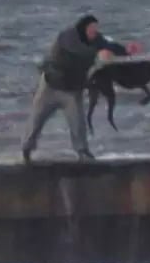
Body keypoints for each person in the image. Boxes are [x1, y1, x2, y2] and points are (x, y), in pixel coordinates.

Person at [21, 14, 140, 163]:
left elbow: (109, 46)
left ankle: (83, 152)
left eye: (96, 29)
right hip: (50, 87)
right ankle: (26, 149)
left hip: (72, 90)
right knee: (36, 119)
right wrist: (98, 52)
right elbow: (78, 50)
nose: (94, 32)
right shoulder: (67, 37)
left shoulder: (96, 40)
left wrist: (126, 50)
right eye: (91, 29)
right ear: (82, 28)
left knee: (77, 123)